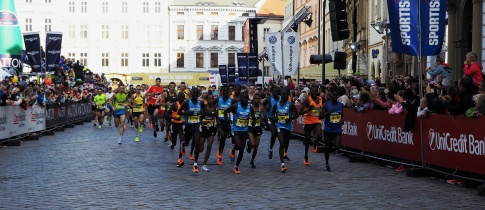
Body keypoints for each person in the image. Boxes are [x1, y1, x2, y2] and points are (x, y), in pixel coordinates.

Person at [270, 87, 299, 172]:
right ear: (280, 94)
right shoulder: (276, 105)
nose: (285, 95)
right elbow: (272, 115)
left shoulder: (290, 105)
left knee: (286, 143)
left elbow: (297, 114)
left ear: (288, 95)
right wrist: (274, 118)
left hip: (288, 127)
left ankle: (284, 153)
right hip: (280, 126)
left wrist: (291, 118)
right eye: (283, 94)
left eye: (286, 94)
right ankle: (282, 164)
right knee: (281, 144)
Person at [224, 91, 250, 174]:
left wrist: (252, 123)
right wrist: (228, 124)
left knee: (242, 150)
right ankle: (233, 148)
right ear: (240, 99)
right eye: (243, 98)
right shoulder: (235, 106)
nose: (244, 100)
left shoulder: (250, 107)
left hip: (244, 130)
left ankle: (236, 166)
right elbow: (225, 112)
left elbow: (252, 117)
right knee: (238, 145)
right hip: (236, 130)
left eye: (246, 98)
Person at [319, 90, 344, 172]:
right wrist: (328, 113)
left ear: (338, 97)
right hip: (328, 129)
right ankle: (327, 164)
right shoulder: (326, 105)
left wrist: (342, 121)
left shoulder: (341, 105)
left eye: (336, 95)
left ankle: (333, 144)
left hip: (337, 128)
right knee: (327, 148)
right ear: (330, 96)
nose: (334, 97)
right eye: (333, 95)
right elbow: (319, 116)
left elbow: (342, 117)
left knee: (337, 147)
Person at [178, 88, 202, 173]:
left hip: (196, 125)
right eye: (193, 94)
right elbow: (179, 112)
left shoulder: (201, 103)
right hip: (188, 125)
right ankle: (183, 145)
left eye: (196, 94)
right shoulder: (186, 102)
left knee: (197, 143)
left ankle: (195, 164)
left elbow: (204, 112)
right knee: (187, 142)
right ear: (191, 94)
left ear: (198, 94)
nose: (195, 95)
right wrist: (187, 113)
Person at [299, 85, 324, 165]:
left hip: (316, 120)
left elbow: (322, 108)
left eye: (315, 91)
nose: (314, 93)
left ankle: (315, 142)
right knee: (307, 140)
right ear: (310, 92)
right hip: (308, 121)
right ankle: (306, 156)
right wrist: (308, 109)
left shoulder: (320, 98)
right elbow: (300, 112)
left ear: (317, 91)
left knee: (320, 136)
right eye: (312, 91)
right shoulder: (307, 100)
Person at [199, 94, 218, 172]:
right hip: (203, 129)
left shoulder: (215, 109)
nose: (211, 100)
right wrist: (202, 122)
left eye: (212, 99)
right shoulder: (203, 108)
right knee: (201, 149)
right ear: (207, 100)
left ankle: (204, 165)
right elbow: (199, 118)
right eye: (209, 99)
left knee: (209, 146)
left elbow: (217, 118)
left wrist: (217, 122)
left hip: (211, 129)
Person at [247, 92, 266, 168]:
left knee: (256, 147)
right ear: (253, 99)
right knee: (253, 144)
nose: (257, 100)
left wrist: (264, 117)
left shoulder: (261, 107)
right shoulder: (249, 107)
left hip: (258, 127)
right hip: (250, 127)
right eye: (256, 99)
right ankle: (249, 145)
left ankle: (252, 160)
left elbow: (265, 115)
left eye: (259, 99)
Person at [215, 85, 233, 165]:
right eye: (224, 91)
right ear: (222, 92)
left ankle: (222, 152)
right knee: (222, 136)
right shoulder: (218, 99)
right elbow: (214, 109)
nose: (225, 92)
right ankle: (219, 154)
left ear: (229, 92)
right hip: (220, 122)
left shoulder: (231, 101)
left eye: (227, 91)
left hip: (228, 121)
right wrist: (217, 119)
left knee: (225, 139)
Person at [167, 92, 186, 165]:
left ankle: (180, 159)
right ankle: (172, 143)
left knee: (182, 141)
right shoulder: (174, 105)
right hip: (174, 125)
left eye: (183, 97)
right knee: (174, 143)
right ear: (178, 98)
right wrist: (174, 117)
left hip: (182, 125)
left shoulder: (186, 105)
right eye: (180, 97)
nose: (181, 99)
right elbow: (167, 115)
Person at [264, 86, 282, 160]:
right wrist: (267, 108)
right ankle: (270, 149)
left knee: (279, 136)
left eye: (277, 91)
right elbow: (263, 105)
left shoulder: (281, 99)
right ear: (272, 92)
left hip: (279, 119)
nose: (275, 93)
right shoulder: (269, 99)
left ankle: (272, 148)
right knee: (274, 133)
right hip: (270, 119)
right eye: (274, 91)